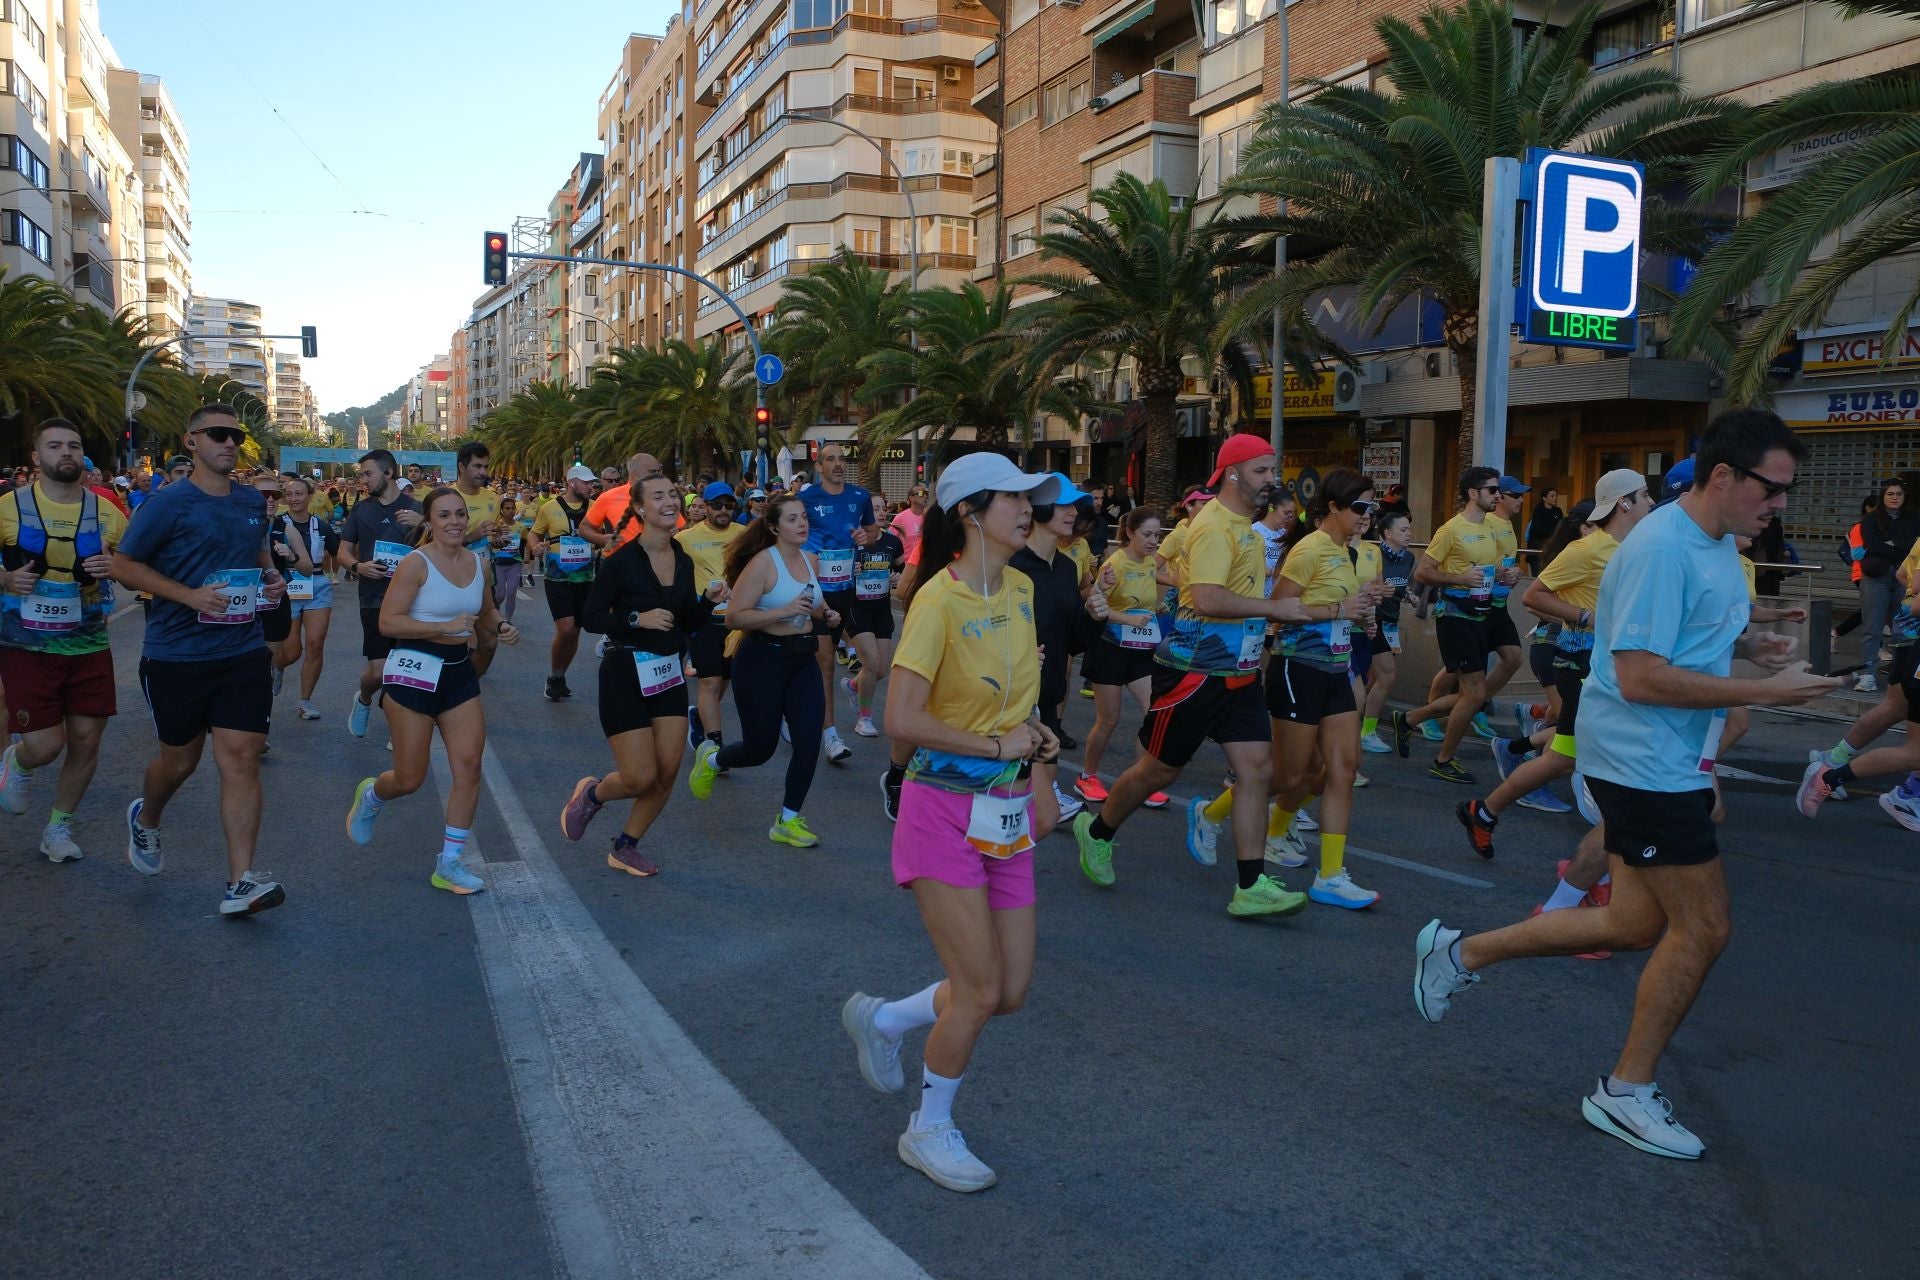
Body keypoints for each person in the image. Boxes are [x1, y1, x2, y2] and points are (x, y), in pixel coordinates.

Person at [1413, 409, 1842, 1160]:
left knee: (1636, 925)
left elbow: (1685, 633)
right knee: (1704, 929)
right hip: (1645, 761)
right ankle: (1626, 1090)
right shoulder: (1662, 548)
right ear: (1723, 476)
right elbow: (1641, 677)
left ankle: (1460, 953)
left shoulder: (1713, 542)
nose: (1780, 504)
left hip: (1666, 759)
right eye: (1772, 489)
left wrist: (1750, 644)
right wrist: (1763, 694)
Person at [839, 453, 1063, 1194]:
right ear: (971, 512)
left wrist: (1036, 754)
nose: (1029, 509)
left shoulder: (1025, 587)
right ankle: (928, 1129)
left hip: (1005, 811)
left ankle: (889, 1020)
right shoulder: (938, 601)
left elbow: (1016, 701)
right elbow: (901, 721)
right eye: (1015, 499)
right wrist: (996, 746)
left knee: (1010, 989)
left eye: (1032, 500)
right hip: (940, 808)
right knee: (976, 991)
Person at [1071, 433, 1317, 916]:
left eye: (1273, 470)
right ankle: (1096, 830)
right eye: (1262, 471)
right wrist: (1273, 608)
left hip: (1240, 674)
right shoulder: (1213, 527)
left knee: (1256, 771)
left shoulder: (1245, 527)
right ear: (1232, 473)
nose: (1272, 480)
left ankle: (1249, 885)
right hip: (1192, 673)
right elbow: (1204, 597)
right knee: (1158, 770)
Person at [112, 404, 288, 915]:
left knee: (241, 757)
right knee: (179, 762)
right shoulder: (168, 504)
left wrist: (271, 578)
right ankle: (147, 818)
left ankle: (242, 881)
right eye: (217, 434)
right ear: (191, 442)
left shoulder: (252, 501)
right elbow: (125, 565)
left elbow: (256, 554)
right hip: (176, 655)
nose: (229, 442)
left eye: (235, 434)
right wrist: (188, 596)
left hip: (241, 649)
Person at [1457, 469, 1653, 857]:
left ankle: (1484, 811)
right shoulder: (1586, 549)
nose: (1652, 502)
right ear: (1624, 502)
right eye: (1645, 495)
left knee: (1563, 756)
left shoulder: (1635, 548)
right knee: (1612, 751)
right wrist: (1586, 617)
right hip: (1581, 661)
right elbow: (1535, 595)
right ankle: (1615, 847)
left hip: (1610, 662)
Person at [562, 476, 727, 876]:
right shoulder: (620, 560)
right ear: (640, 509)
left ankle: (626, 845)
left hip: (667, 673)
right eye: (660, 496)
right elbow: (593, 617)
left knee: (667, 771)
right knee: (639, 777)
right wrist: (638, 617)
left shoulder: (683, 559)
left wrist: (707, 602)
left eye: (674, 494)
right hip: (624, 671)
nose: (671, 501)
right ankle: (593, 794)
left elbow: (684, 620)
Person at [344, 487, 503, 895]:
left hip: (456, 674)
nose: (454, 522)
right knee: (409, 778)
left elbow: (485, 610)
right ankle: (373, 795)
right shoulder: (416, 564)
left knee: (468, 765)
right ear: (428, 522)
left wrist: (500, 627)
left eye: (460, 514)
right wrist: (440, 628)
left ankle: (449, 864)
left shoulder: (479, 563)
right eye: (444, 515)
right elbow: (389, 623)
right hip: (413, 670)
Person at [0, 419, 128, 862]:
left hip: (89, 642)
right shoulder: (7, 507)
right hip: (27, 645)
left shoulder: (108, 511)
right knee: (45, 745)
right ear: (36, 457)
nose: (65, 452)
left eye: (73, 445)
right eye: (54, 446)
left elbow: (135, 566)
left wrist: (113, 566)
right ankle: (18, 762)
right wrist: (4, 577)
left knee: (88, 740)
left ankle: (58, 828)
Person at [686, 493, 839, 847]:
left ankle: (788, 819)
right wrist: (782, 611)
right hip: (761, 661)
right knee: (760, 749)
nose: (802, 524)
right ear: (773, 527)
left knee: (808, 741)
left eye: (803, 517)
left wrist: (827, 614)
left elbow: (814, 603)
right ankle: (712, 759)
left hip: (803, 661)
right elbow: (736, 616)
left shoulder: (811, 560)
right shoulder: (761, 564)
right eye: (792, 519)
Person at [1264, 469, 1383, 909]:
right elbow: (1277, 610)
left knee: (1342, 770)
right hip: (1297, 669)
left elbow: (1341, 611)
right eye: (1359, 507)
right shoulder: (1309, 549)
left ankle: (1330, 875)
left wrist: (1360, 617)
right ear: (1332, 507)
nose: (1367, 516)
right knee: (1291, 774)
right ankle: (1214, 813)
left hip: (1336, 670)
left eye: (1372, 508)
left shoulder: (1347, 552)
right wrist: (1338, 608)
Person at [1391, 467, 1509, 782]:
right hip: (1455, 615)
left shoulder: (1488, 529)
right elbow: (1422, 572)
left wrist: (1501, 575)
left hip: (1480, 614)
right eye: (1492, 489)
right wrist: (1457, 578)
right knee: (1474, 693)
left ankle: (1410, 719)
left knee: (1474, 692)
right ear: (1473, 493)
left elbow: (1481, 570)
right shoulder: (1450, 530)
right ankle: (1443, 760)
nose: (1498, 495)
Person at [1076, 508, 1172, 809]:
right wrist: (1126, 620)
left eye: (1158, 535)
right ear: (1129, 532)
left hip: (1140, 652)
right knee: (1109, 719)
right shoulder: (1115, 563)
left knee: (1152, 713)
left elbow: (1142, 604)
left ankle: (1140, 780)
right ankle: (1087, 776)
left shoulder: (1147, 565)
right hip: (1109, 651)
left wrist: (1155, 611)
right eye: (1147, 534)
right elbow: (1096, 603)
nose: (1154, 541)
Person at [798, 443, 877, 766]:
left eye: (842, 459)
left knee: (877, 663)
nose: (838, 464)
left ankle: (835, 697)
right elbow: (788, 534)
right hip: (817, 592)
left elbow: (871, 533)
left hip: (849, 590)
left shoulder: (859, 497)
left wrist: (865, 538)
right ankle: (830, 734)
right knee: (826, 662)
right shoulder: (806, 499)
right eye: (830, 459)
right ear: (819, 467)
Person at [339, 449, 424, 736]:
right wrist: (357, 567)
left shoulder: (417, 508)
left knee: (403, 670)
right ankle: (363, 698)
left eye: (368, 473)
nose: (363, 479)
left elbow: (442, 545)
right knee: (377, 673)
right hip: (373, 599)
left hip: (413, 601)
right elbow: (342, 552)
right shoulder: (361, 510)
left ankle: (399, 730)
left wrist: (424, 524)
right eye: (361, 474)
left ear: (388, 473)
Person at [675, 480, 746, 749]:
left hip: (735, 621)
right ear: (705, 507)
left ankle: (700, 718)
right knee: (710, 682)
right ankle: (713, 746)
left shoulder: (744, 534)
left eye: (729, 505)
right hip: (703, 620)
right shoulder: (685, 538)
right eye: (717, 505)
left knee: (724, 681)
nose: (723, 510)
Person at [528, 464, 603, 700]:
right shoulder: (549, 508)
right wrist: (535, 546)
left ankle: (559, 676)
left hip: (585, 577)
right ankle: (554, 674)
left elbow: (604, 536)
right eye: (586, 482)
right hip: (557, 577)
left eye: (592, 483)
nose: (591, 486)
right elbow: (534, 533)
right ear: (572, 483)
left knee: (575, 632)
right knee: (566, 628)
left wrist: (602, 547)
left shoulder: (595, 508)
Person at [273, 474, 339, 721]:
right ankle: (277, 665)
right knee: (291, 651)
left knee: (315, 643)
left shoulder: (321, 526)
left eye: (299, 493)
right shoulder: (278, 524)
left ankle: (304, 700)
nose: (294, 499)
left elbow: (337, 552)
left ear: (310, 496)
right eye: (289, 494)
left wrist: (335, 575)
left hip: (317, 584)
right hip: (287, 584)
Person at [1847, 479, 1917, 693]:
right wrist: (1895, 545)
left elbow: (1912, 546)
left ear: (1905, 498)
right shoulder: (1870, 519)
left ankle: (1901, 675)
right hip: (1876, 575)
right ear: (1883, 497)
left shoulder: (1914, 518)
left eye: (1899, 494)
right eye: (1890, 494)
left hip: (1905, 575)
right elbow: (1872, 545)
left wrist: (1889, 545)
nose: (1895, 497)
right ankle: (1868, 674)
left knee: (1905, 626)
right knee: (1872, 626)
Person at [843, 502, 906, 739]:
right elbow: (833, 572)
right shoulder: (851, 541)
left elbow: (903, 570)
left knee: (879, 670)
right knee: (870, 663)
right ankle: (864, 718)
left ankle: (852, 686)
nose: (880, 513)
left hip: (881, 609)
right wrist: (851, 571)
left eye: (882, 508)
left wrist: (897, 577)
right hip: (856, 608)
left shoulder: (892, 542)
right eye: (874, 509)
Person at [1360, 508, 1415, 753]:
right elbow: (1373, 586)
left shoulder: (1409, 558)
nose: (1409, 534)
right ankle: (1366, 731)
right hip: (1372, 620)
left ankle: (1354, 721)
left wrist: (1409, 595)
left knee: (1374, 678)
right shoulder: (1373, 554)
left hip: (1391, 622)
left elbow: (1398, 587)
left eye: (1409, 529)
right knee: (1386, 675)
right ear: (1387, 533)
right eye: (1403, 530)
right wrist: (1379, 593)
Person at [490, 495, 526, 621]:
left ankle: (507, 620)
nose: (510, 511)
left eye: (512, 508)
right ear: (502, 511)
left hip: (514, 563)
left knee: (511, 593)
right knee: (500, 595)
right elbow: (490, 543)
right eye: (507, 508)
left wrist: (526, 556)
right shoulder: (496, 526)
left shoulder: (520, 526)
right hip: (498, 564)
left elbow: (525, 543)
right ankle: (493, 613)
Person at [1525, 488, 1565, 573]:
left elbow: (1561, 526)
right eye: (1552, 496)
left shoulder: (1557, 511)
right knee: (1537, 573)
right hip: (1537, 546)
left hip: (1552, 546)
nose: (1555, 498)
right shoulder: (1538, 510)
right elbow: (1538, 529)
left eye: (1556, 496)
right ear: (1544, 498)